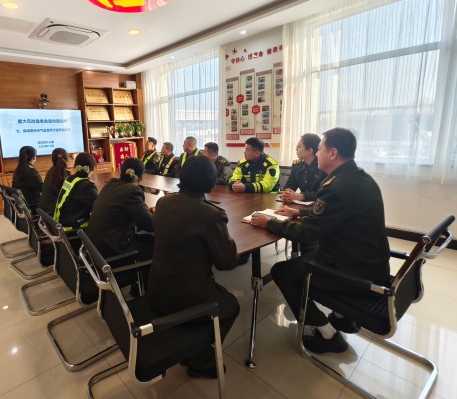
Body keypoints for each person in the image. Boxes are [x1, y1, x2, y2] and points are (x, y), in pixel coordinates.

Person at [250, 128, 391, 354]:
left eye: (320, 149)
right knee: (307, 257)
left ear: (333, 153)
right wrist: (299, 212)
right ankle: (343, 317)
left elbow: (307, 234)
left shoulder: (335, 187)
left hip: (351, 273)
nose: (317, 154)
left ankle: (327, 334)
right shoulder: (362, 178)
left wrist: (270, 223)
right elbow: (336, 214)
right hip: (371, 264)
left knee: (282, 272)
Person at [149, 155, 239, 379]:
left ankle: (188, 346)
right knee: (231, 306)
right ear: (210, 182)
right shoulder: (211, 215)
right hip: (187, 298)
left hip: (157, 290)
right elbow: (227, 263)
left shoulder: (163, 203)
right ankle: (201, 360)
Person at [85, 157, 154, 261]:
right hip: (112, 250)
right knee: (152, 243)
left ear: (120, 172)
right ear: (140, 179)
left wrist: (146, 212)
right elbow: (150, 225)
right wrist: (159, 213)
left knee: (145, 237)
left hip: (94, 248)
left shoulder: (109, 185)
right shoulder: (132, 191)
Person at [53, 152, 98, 231]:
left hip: (58, 225)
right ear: (93, 168)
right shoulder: (86, 187)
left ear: (75, 166)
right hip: (73, 230)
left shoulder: (69, 179)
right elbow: (100, 207)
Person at [280, 133, 325, 203]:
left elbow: (323, 192)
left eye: (299, 147)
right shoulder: (297, 166)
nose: (296, 149)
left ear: (309, 151)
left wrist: (300, 196)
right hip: (301, 205)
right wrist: (287, 194)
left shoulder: (323, 166)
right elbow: (288, 186)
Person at [37, 148, 69, 214]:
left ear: (52, 159)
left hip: (43, 213)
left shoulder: (50, 172)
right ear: (67, 159)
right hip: (52, 214)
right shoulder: (64, 175)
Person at [12, 146, 43, 213]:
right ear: (34, 157)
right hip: (32, 203)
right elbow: (42, 188)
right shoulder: (30, 170)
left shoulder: (19, 168)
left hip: (23, 201)